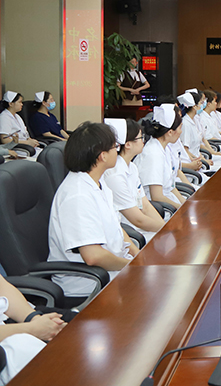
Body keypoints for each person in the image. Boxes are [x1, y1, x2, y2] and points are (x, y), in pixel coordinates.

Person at [47, 122, 138, 299]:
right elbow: (93, 256)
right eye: (115, 147)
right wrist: (131, 265)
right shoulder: (77, 195)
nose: (117, 151)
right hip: (89, 284)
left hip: (112, 270)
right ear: (102, 156)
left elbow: (116, 227)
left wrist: (138, 257)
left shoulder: (98, 182)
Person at [102, 118, 165, 242]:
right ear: (128, 144)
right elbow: (137, 220)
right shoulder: (114, 175)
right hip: (132, 235)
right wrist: (168, 229)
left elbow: (145, 205)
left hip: (142, 228)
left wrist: (165, 227)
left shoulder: (132, 167)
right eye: (141, 138)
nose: (143, 141)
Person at [0, 275, 66, 386]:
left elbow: (2, 287)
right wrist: (32, 329)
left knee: (74, 329)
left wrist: (34, 319)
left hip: (9, 319)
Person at [137, 104, 186, 208]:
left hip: (170, 201)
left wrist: (185, 204)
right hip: (161, 208)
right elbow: (157, 196)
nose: (181, 132)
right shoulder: (153, 154)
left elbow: (171, 187)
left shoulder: (165, 148)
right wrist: (181, 208)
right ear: (170, 132)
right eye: (180, 128)